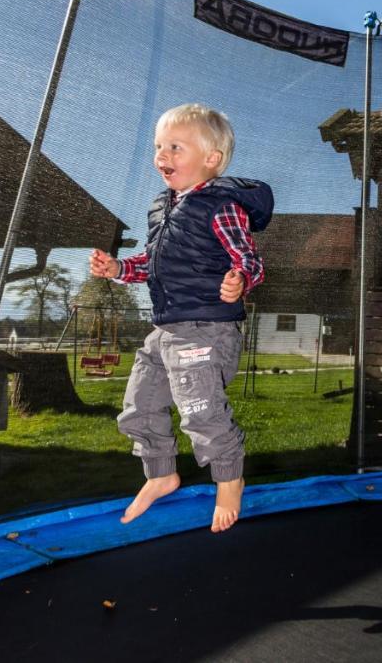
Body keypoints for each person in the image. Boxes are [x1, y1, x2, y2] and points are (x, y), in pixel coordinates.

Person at [90, 104, 273, 532]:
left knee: (201, 412)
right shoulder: (161, 207)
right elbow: (153, 262)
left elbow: (250, 260)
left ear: (210, 159)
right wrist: (119, 270)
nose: (161, 155)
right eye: (158, 147)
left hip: (206, 328)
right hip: (165, 329)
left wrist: (239, 280)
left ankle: (230, 479)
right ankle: (161, 473)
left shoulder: (222, 207)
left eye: (175, 146)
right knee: (139, 406)